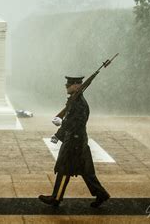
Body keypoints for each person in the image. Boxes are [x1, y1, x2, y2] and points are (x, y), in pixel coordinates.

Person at [39, 76, 110, 208]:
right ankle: (101, 194)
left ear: (77, 86)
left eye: (70, 84)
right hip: (76, 140)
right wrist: (58, 134)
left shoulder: (80, 104)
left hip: (75, 142)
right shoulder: (75, 101)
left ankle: (56, 198)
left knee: (64, 169)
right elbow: (71, 121)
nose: (67, 86)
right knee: (86, 172)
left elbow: (77, 123)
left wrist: (62, 123)